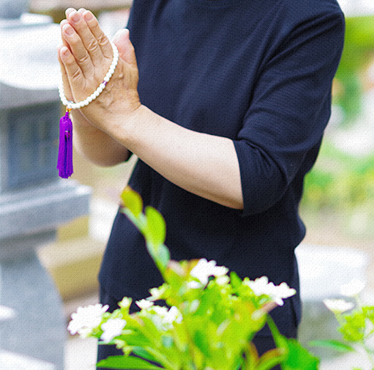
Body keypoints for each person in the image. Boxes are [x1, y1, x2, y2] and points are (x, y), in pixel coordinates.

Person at [57, 0, 345, 367]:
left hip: (235, 306)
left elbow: (257, 174)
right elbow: (111, 151)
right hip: (135, 287)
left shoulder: (308, 16)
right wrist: (88, 102)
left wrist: (124, 115)